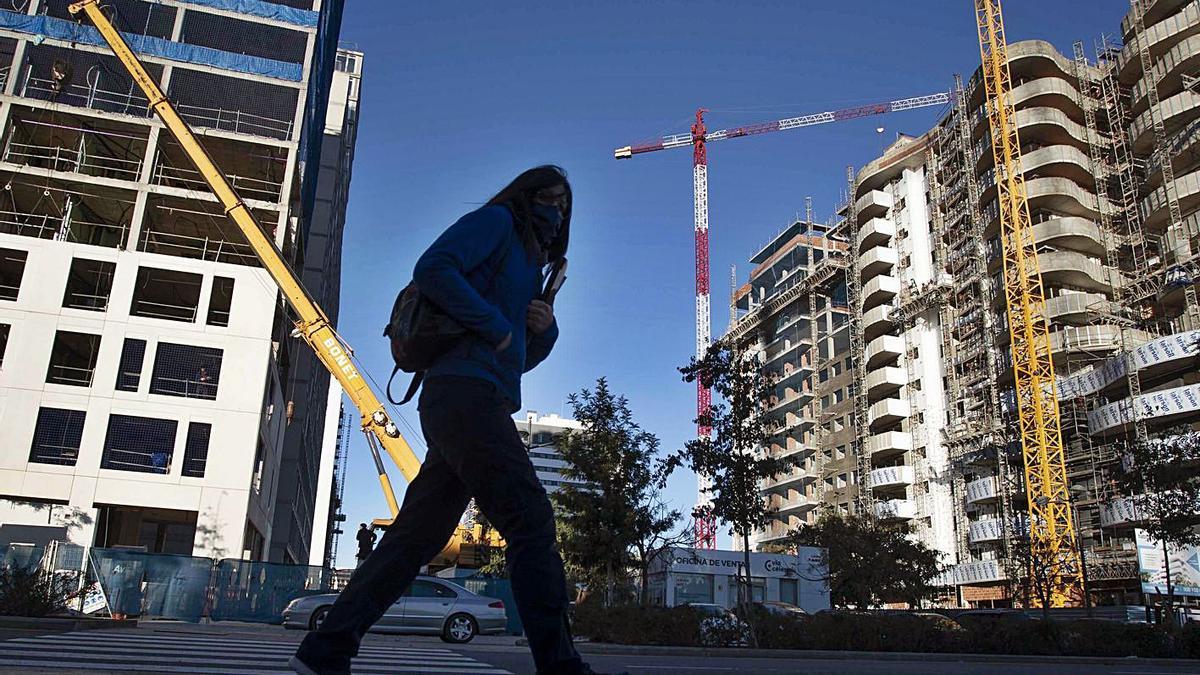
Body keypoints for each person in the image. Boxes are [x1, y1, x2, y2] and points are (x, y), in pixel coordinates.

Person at [291, 166, 619, 675]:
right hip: (464, 394)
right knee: (530, 519)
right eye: (548, 198)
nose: (557, 211)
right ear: (525, 195)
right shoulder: (496, 223)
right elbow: (434, 267)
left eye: (564, 205)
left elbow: (515, 359)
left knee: (415, 538)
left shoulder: (533, 267)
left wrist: (543, 331)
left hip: (478, 394)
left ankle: (325, 649)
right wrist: (495, 325)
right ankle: (561, 667)